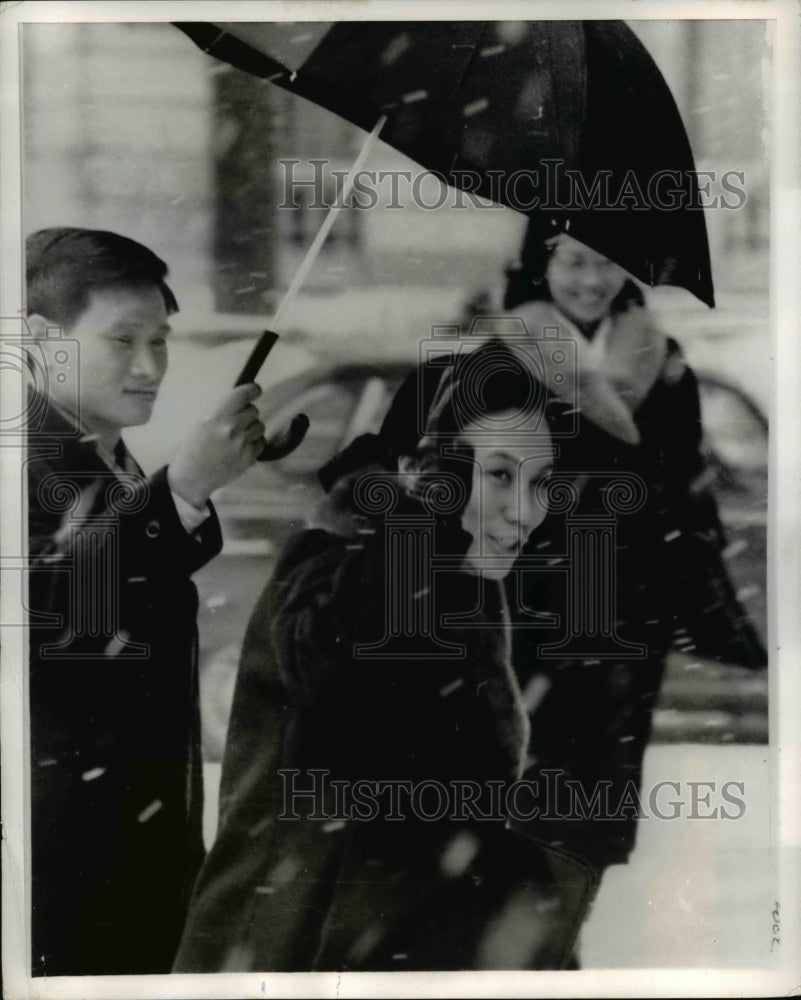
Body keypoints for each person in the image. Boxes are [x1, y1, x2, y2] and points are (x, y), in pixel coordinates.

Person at [173, 340, 596, 973]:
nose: (527, 511)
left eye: (540, 483)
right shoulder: (331, 566)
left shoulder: (458, 585)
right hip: (291, 961)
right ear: (422, 471)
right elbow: (343, 674)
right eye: (500, 475)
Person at [499, 220, 767, 930]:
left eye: (606, 264)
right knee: (522, 773)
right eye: (573, 263)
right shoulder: (503, 352)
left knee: (602, 785)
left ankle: (564, 930)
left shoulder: (659, 354)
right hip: (528, 602)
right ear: (540, 266)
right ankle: (522, 935)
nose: (590, 281)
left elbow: (680, 477)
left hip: (627, 605)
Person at [25, 227, 275, 975]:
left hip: (134, 849)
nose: (148, 366)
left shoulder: (101, 449)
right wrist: (185, 489)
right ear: (42, 341)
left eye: (161, 340)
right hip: (59, 866)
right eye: (122, 340)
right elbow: (55, 607)